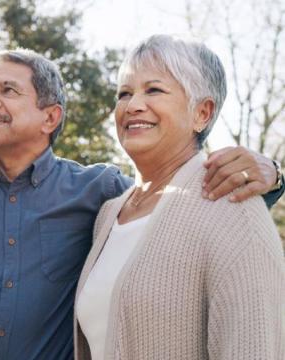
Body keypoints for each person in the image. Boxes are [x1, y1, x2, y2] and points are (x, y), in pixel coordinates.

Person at [0, 48, 284, 359]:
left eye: (7, 91)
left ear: (50, 118)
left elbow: (178, 207)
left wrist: (272, 177)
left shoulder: (102, 194)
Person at [74, 35, 285, 360]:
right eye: (124, 94)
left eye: (154, 90)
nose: (133, 105)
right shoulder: (109, 214)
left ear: (202, 112)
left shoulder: (233, 208)